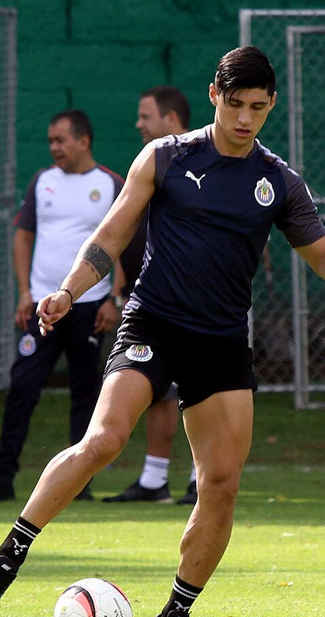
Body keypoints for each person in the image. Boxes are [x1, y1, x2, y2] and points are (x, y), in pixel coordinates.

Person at [0, 46, 325, 617]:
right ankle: (4, 559)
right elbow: (110, 235)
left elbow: (322, 254)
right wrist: (68, 291)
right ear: (214, 95)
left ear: (272, 105)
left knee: (220, 482)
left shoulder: (279, 181)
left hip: (221, 342)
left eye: (258, 108)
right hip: (153, 324)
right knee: (104, 440)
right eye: (235, 104)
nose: (245, 118)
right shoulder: (166, 157)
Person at [0, 109, 122, 503]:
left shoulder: (110, 184)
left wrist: (114, 297)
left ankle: (80, 484)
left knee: (85, 393)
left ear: (84, 141)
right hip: (43, 306)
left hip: (90, 305)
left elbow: (121, 242)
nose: (54, 147)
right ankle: (3, 479)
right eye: (50, 141)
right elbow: (23, 236)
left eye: (61, 140)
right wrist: (25, 292)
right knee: (22, 387)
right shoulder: (42, 182)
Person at [103, 85, 196, 505]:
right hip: (153, 304)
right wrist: (120, 288)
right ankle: (154, 480)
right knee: (159, 388)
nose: (138, 124)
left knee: (204, 389)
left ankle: (200, 480)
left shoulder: (205, 164)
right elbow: (124, 233)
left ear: (171, 118)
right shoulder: (154, 161)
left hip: (202, 307)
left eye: (146, 116)